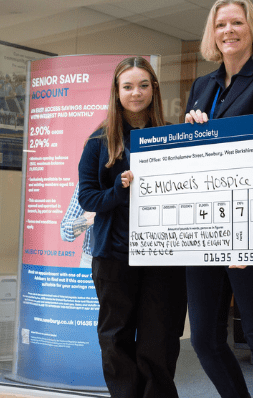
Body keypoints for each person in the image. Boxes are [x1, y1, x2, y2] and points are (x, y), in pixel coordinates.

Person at [185, 0, 253, 398]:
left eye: (236, 23)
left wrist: (212, 131)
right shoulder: (203, 85)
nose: (228, 31)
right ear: (211, 35)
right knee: (203, 338)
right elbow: (194, 157)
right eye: (220, 25)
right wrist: (191, 132)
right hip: (206, 226)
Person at [78, 56, 187, 398]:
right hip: (114, 256)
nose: (136, 93)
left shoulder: (172, 136)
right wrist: (120, 190)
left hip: (163, 256)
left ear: (154, 89)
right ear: (116, 91)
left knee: (160, 339)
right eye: (127, 86)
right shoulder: (98, 141)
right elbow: (88, 199)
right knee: (116, 339)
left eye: (143, 85)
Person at [60, 182, 94, 268]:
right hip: (91, 262)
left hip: (127, 259)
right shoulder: (88, 180)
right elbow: (64, 231)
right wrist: (91, 216)